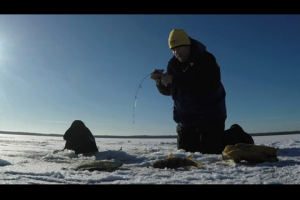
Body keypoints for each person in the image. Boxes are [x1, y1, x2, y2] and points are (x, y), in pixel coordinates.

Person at [150, 29, 254, 154]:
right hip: (186, 119)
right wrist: (159, 81)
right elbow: (169, 91)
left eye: (179, 48)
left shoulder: (206, 59)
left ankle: (237, 134)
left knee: (211, 150)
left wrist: (175, 79)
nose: (176, 53)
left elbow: (207, 85)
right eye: (173, 50)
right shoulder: (173, 65)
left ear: (188, 45)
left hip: (210, 115)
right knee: (186, 151)